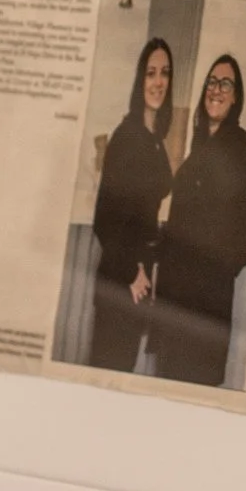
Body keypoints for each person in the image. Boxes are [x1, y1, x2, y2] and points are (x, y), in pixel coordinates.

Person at [150, 54, 246, 387]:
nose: (217, 90)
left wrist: (221, 269)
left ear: (236, 96)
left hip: (205, 299)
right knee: (169, 381)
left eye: (226, 84)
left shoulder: (241, 147)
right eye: (212, 82)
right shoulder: (199, 145)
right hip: (175, 295)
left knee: (194, 380)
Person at [88, 37, 179, 374]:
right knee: (108, 374)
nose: (158, 82)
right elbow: (105, 220)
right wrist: (133, 271)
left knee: (120, 372)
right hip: (121, 278)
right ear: (140, 79)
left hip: (135, 278)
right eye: (151, 73)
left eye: (165, 73)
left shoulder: (152, 138)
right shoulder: (127, 137)